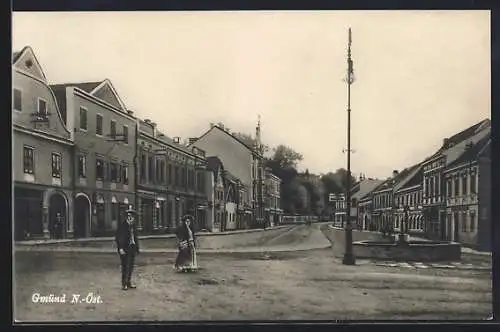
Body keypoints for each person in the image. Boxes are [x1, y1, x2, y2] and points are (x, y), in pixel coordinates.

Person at [115, 207, 140, 290]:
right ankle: (124, 283)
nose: (130, 218)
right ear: (126, 217)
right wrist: (120, 248)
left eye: (132, 216)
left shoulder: (133, 226)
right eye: (129, 216)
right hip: (125, 249)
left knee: (131, 266)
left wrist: (137, 248)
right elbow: (119, 238)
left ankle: (129, 282)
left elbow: (135, 238)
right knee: (125, 266)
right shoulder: (123, 226)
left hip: (132, 248)